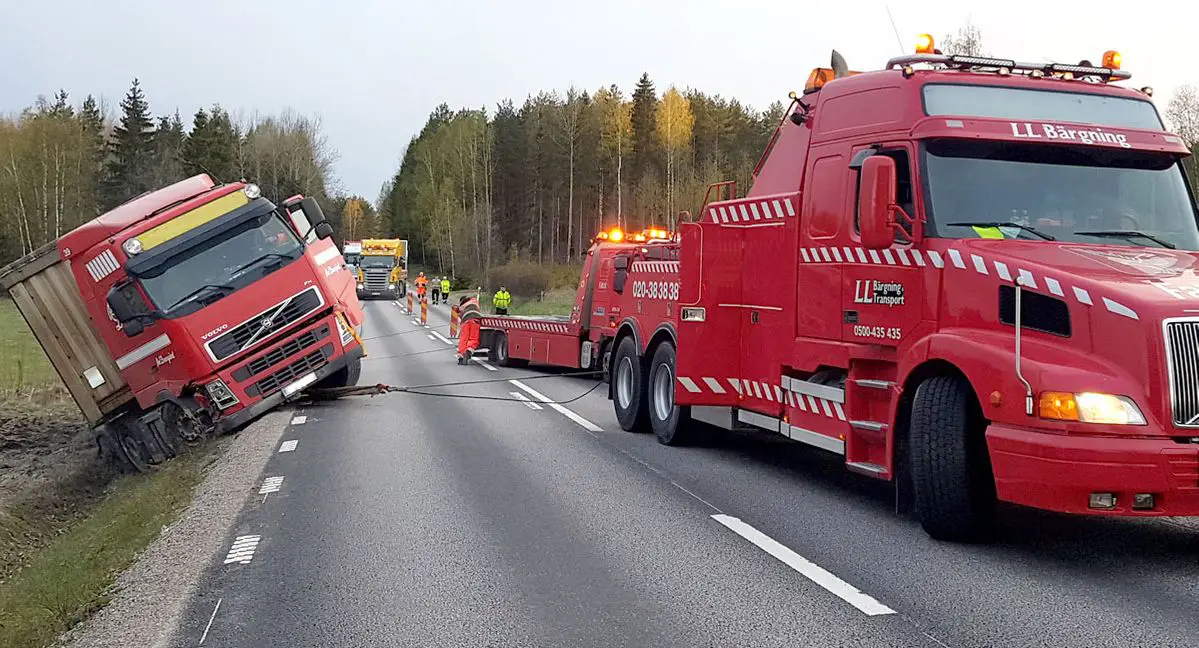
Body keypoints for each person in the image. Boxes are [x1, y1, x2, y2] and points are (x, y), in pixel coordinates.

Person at [456, 294, 483, 364]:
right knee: (473, 338)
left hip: (465, 321)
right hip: (475, 320)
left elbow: (459, 314)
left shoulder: (462, 306)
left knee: (463, 339)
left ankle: (461, 356)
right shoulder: (474, 301)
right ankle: (469, 351)